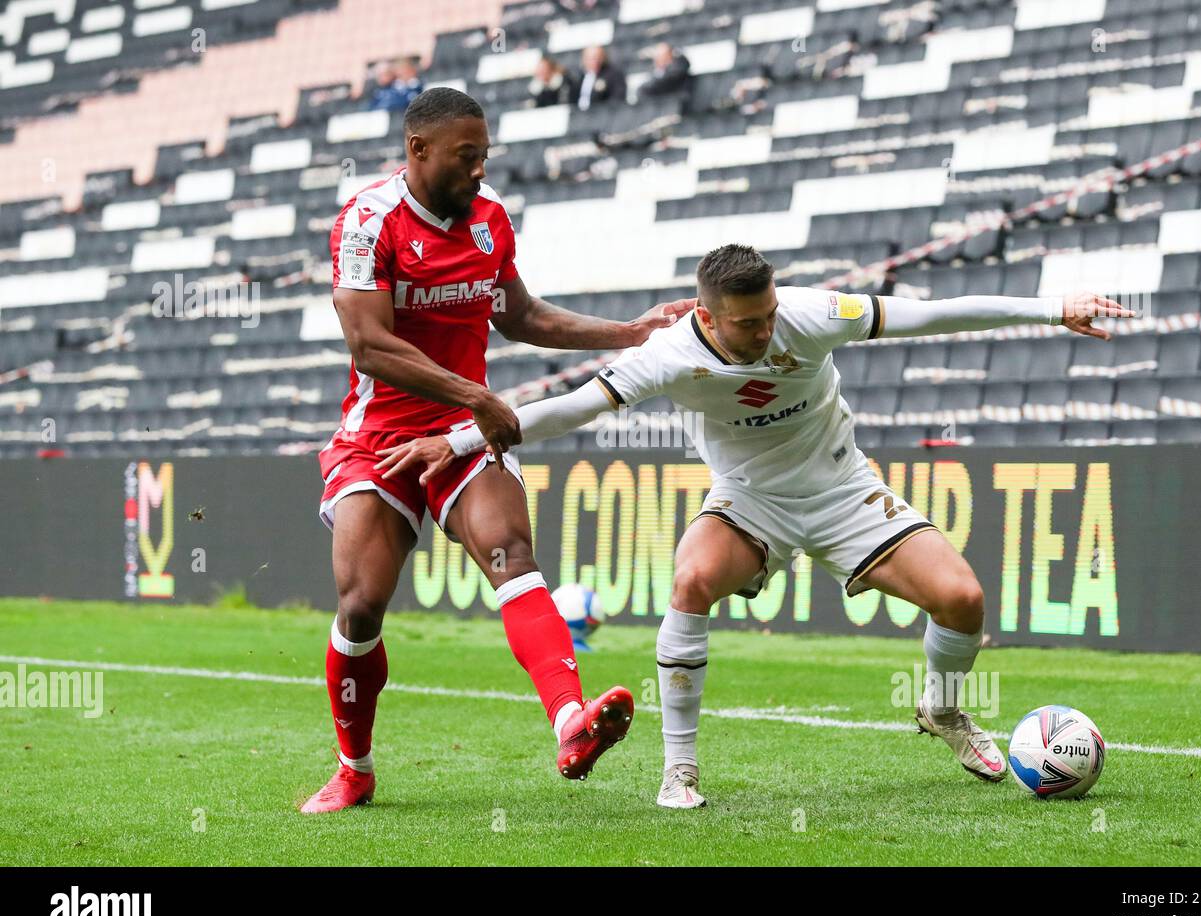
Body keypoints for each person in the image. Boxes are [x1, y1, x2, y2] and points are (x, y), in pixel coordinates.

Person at [378, 244, 1133, 809]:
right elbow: (571, 408)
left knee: (964, 599)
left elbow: (930, 317)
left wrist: (1052, 308)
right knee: (691, 580)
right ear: (706, 316)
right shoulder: (669, 355)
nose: (766, 331)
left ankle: (939, 708)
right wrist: (465, 438)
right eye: (747, 323)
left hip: (842, 490)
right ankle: (680, 770)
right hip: (749, 502)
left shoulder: (811, 313)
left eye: (769, 313)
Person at [303, 87, 693, 813]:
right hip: (379, 439)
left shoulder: (489, 221)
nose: (480, 171)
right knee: (360, 605)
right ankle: (354, 768)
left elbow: (523, 315)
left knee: (511, 554)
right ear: (418, 150)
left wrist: (629, 332)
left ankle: (572, 724)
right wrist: (479, 395)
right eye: (466, 156)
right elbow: (369, 343)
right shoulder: (366, 222)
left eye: (484, 156)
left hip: (463, 434)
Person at [575, 45, 626, 111]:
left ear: (603, 58)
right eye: (589, 58)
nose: (594, 61)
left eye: (596, 57)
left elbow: (617, 99)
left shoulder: (613, 75)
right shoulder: (579, 77)